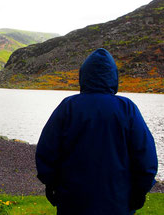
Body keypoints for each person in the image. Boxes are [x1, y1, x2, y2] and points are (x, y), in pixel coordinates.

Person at [35, 48, 158, 215]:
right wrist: (140, 191)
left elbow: (46, 151)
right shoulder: (127, 108)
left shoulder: (69, 107)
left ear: (84, 75)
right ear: (113, 76)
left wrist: (51, 184)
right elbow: (146, 157)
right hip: (118, 202)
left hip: (73, 202)